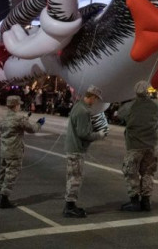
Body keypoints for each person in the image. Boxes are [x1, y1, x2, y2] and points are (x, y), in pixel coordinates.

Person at [0, 96, 44, 208]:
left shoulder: (4, 118)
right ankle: (4, 199)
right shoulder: (18, 119)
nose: (20, 106)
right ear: (15, 105)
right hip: (14, 151)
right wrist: (39, 123)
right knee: (11, 175)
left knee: (2, 173)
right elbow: (32, 129)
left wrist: (24, 118)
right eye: (19, 104)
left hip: (4, 151)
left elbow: (14, 125)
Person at [63, 85, 107, 218]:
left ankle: (70, 205)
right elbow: (84, 134)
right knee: (75, 178)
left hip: (72, 147)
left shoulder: (78, 106)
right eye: (96, 99)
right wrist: (99, 135)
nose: (96, 102)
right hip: (77, 149)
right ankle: (70, 207)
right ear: (92, 97)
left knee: (72, 177)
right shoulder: (83, 111)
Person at [117, 80, 158, 212]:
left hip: (135, 145)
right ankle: (146, 201)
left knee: (131, 172)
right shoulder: (156, 106)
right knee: (148, 172)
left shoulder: (130, 106)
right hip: (152, 145)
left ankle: (134, 200)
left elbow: (120, 114)